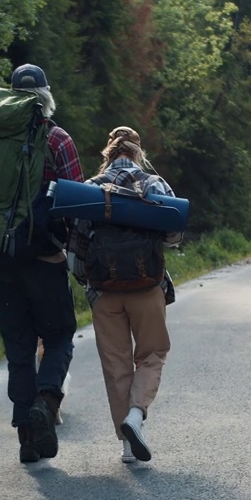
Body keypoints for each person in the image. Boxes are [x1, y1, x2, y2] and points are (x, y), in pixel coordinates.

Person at [0, 64, 83, 464]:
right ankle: (45, 402)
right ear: (47, 95)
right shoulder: (57, 139)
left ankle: (28, 440)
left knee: (19, 349)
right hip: (44, 257)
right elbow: (77, 206)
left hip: (1, 261)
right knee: (59, 335)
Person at [80, 126, 181, 463]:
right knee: (152, 355)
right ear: (138, 153)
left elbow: (75, 246)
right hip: (146, 287)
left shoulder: (89, 189)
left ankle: (126, 446)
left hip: (105, 292)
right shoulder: (154, 184)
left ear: (108, 153)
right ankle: (135, 417)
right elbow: (173, 235)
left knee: (116, 365)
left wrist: (90, 286)